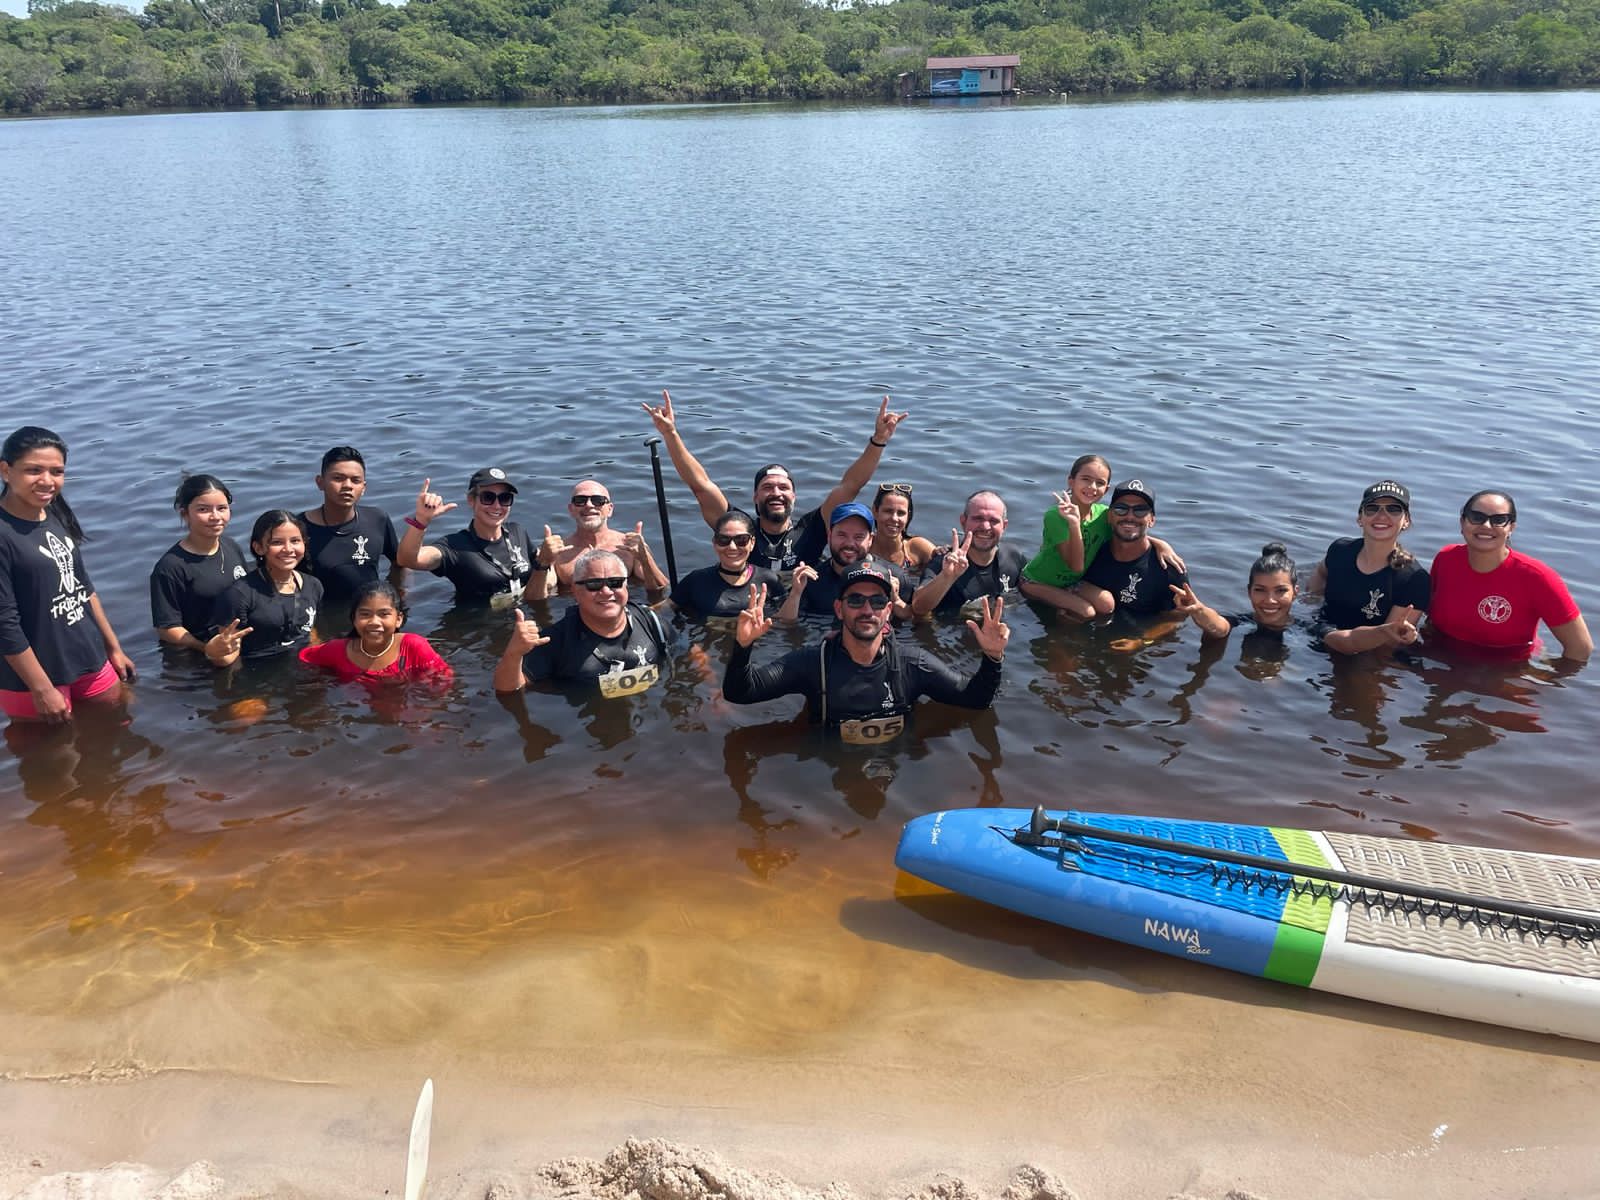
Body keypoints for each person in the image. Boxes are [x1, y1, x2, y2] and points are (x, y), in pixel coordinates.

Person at [723, 564, 1008, 744]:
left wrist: (992, 657)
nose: (867, 611)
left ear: (887, 610)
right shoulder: (812, 664)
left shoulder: (913, 664)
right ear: (839, 609)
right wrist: (743, 646)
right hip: (826, 772)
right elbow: (741, 693)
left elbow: (975, 699)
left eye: (877, 601)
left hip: (896, 767)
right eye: (856, 600)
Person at [641, 389, 908, 576]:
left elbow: (851, 485)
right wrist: (671, 434)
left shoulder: (814, 528)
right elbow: (701, 485)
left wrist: (878, 441)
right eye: (767, 488)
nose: (776, 493)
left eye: (783, 488)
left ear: (794, 497)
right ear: (755, 496)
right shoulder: (739, 531)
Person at [0, 426, 136, 724]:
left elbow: (84, 586)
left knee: (117, 729)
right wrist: (41, 687)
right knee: (54, 760)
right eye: (33, 470)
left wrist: (113, 647)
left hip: (87, 655)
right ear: (6, 471)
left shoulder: (54, 512)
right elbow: (4, 623)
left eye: (57, 471)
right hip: (33, 676)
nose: (47, 481)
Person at [1425, 490, 1590, 662]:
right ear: (1462, 522)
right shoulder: (1446, 559)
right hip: (1443, 661)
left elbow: (1581, 648)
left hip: (1507, 672)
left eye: (1498, 520)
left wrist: (1544, 683)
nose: (1487, 526)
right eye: (1476, 517)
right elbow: (1430, 617)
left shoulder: (1537, 577)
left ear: (1511, 527)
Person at [1019, 456, 1185, 619]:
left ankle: (1062, 608)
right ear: (1071, 481)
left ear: (1106, 489)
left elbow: (1128, 530)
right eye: (1086, 479)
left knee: (1106, 605)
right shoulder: (1056, 516)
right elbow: (1075, 566)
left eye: (1100, 482)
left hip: (1069, 583)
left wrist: (1161, 545)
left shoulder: (1104, 515)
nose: (1092, 487)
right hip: (1037, 581)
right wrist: (1074, 524)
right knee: (1087, 612)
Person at [494, 549, 671, 695]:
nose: (607, 591)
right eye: (594, 584)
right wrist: (514, 653)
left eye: (615, 582)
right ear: (575, 591)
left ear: (626, 586)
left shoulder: (651, 621)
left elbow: (682, 653)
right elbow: (508, 690)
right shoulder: (555, 641)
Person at [1308, 480, 1430, 654]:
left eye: (1393, 509)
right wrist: (1312, 601)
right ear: (1360, 518)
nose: (1381, 515)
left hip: (1365, 652)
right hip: (1320, 633)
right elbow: (1320, 573)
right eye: (1372, 508)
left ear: (1406, 521)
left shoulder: (1414, 579)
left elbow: (1387, 644)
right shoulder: (1340, 550)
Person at [398, 468, 538, 607]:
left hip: (523, 619)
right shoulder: (454, 547)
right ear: (471, 500)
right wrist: (421, 520)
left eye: (505, 498)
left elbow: (539, 562)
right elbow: (407, 560)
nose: (497, 506)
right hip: (477, 626)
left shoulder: (517, 532)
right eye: (487, 497)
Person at [205, 509, 324, 666]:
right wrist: (213, 651)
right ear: (258, 548)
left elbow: (310, 629)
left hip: (301, 665)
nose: (288, 549)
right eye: (277, 542)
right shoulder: (239, 595)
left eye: (295, 541)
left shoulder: (313, 585)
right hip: (259, 672)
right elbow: (228, 657)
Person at [149, 473, 249, 652]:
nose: (215, 516)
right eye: (203, 510)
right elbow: (166, 628)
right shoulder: (170, 567)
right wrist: (206, 648)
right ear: (185, 513)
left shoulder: (230, 546)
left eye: (222, 508)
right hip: (197, 654)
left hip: (236, 643)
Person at [530, 479, 669, 599]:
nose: (589, 505)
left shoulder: (629, 546)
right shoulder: (557, 553)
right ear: (571, 509)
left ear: (610, 509)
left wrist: (645, 560)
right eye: (580, 501)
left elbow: (661, 590)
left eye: (598, 501)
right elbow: (535, 601)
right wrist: (543, 561)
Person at [301, 446, 400, 611]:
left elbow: (400, 563)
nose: (347, 486)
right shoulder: (299, 529)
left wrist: (397, 597)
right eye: (338, 478)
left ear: (364, 487)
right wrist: (312, 630)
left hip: (370, 616)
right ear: (320, 482)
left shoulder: (377, 519)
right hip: (325, 617)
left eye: (355, 480)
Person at [778, 502, 915, 621]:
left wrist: (895, 600)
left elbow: (916, 620)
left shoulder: (895, 577)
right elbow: (784, 626)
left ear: (871, 540)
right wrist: (795, 594)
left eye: (859, 537)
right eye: (842, 535)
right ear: (830, 536)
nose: (849, 544)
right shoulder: (812, 580)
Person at [298, 581, 453, 681]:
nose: (374, 622)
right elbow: (305, 659)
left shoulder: (413, 647)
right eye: (365, 614)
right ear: (353, 619)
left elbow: (443, 680)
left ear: (398, 619)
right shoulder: (338, 650)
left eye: (384, 614)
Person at [911, 490, 1028, 619]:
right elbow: (918, 607)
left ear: (1004, 526)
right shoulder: (943, 563)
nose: (985, 526)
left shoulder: (1014, 556)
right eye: (978, 518)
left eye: (994, 520)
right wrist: (947, 577)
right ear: (963, 521)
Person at [1079, 481, 1189, 617]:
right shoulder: (1091, 549)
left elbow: (1177, 618)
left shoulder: (1169, 567)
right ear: (1109, 516)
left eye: (1140, 510)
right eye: (1121, 508)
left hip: (1138, 634)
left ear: (1152, 520)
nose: (1130, 516)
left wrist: (1144, 639)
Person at [667, 509, 786, 620]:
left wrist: (796, 592)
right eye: (723, 540)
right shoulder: (696, 581)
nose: (732, 547)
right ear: (714, 543)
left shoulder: (769, 580)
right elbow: (665, 609)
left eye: (741, 540)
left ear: (752, 543)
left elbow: (786, 621)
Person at [1173, 542, 1301, 641]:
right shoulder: (1241, 623)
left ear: (1295, 592)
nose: (1269, 600)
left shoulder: (1310, 631)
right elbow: (1219, 627)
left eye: (1280, 590)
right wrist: (1198, 610)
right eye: (1260, 590)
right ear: (1249, 591)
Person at [870, 482, 935, 573]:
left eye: (901, 513)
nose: (894, 518)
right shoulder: (864, 547)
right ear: (875, 511)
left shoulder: (917, 548)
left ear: (908, 516)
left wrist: (944, 553)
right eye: (888, 511)